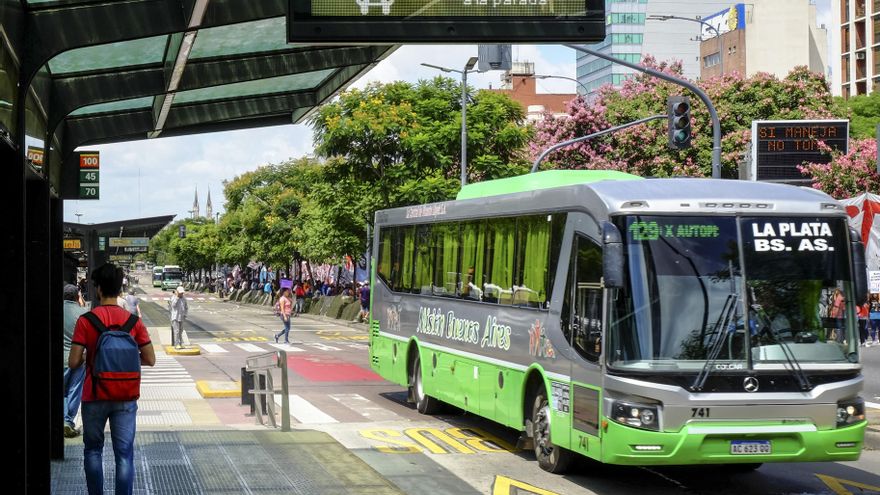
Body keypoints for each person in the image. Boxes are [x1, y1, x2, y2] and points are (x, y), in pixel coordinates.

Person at [68, 263, 155, 495]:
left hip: (94, 395)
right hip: (126, 396)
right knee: (124, 454)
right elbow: (150, 359)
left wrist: (92, 355)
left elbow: (73, 362)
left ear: (98, 289)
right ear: (119, 289)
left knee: (93, 450)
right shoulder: (133, 323)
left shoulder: (86, 321)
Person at [63, 283, 88, 438]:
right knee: (74, 390)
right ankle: (68, 421)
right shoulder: (83, 313)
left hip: (59, 359)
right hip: (78, 358)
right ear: (76, 296)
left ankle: (64, 420)